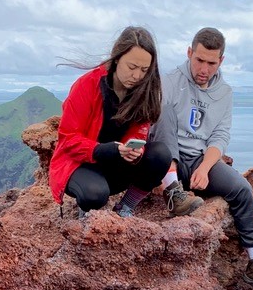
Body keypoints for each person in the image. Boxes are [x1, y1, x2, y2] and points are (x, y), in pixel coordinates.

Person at [154, 27, 253, 290]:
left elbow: (219, 136)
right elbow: (156, 125)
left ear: (221, 61)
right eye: (199, 60)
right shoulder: (168, 81)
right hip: (167, 157)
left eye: (211, 63)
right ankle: (173, 193)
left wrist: (205, 168)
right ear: (189, 53)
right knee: (163, 112)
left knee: (242, 189)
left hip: (199, 159)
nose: (204, 68)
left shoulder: (224, 93)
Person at [49, 26, 172, 219]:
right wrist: (105, 149)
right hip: (80, 164)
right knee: (95, 194)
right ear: (116, 59)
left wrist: (134, 151)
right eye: (132, 67)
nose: (137, 76)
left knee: (160, 155)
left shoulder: (144, 91)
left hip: (116, 162)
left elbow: (139, 131)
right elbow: (68, 139)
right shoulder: (87, 85)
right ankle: (87, 214)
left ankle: (125, 207)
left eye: (144, 70)